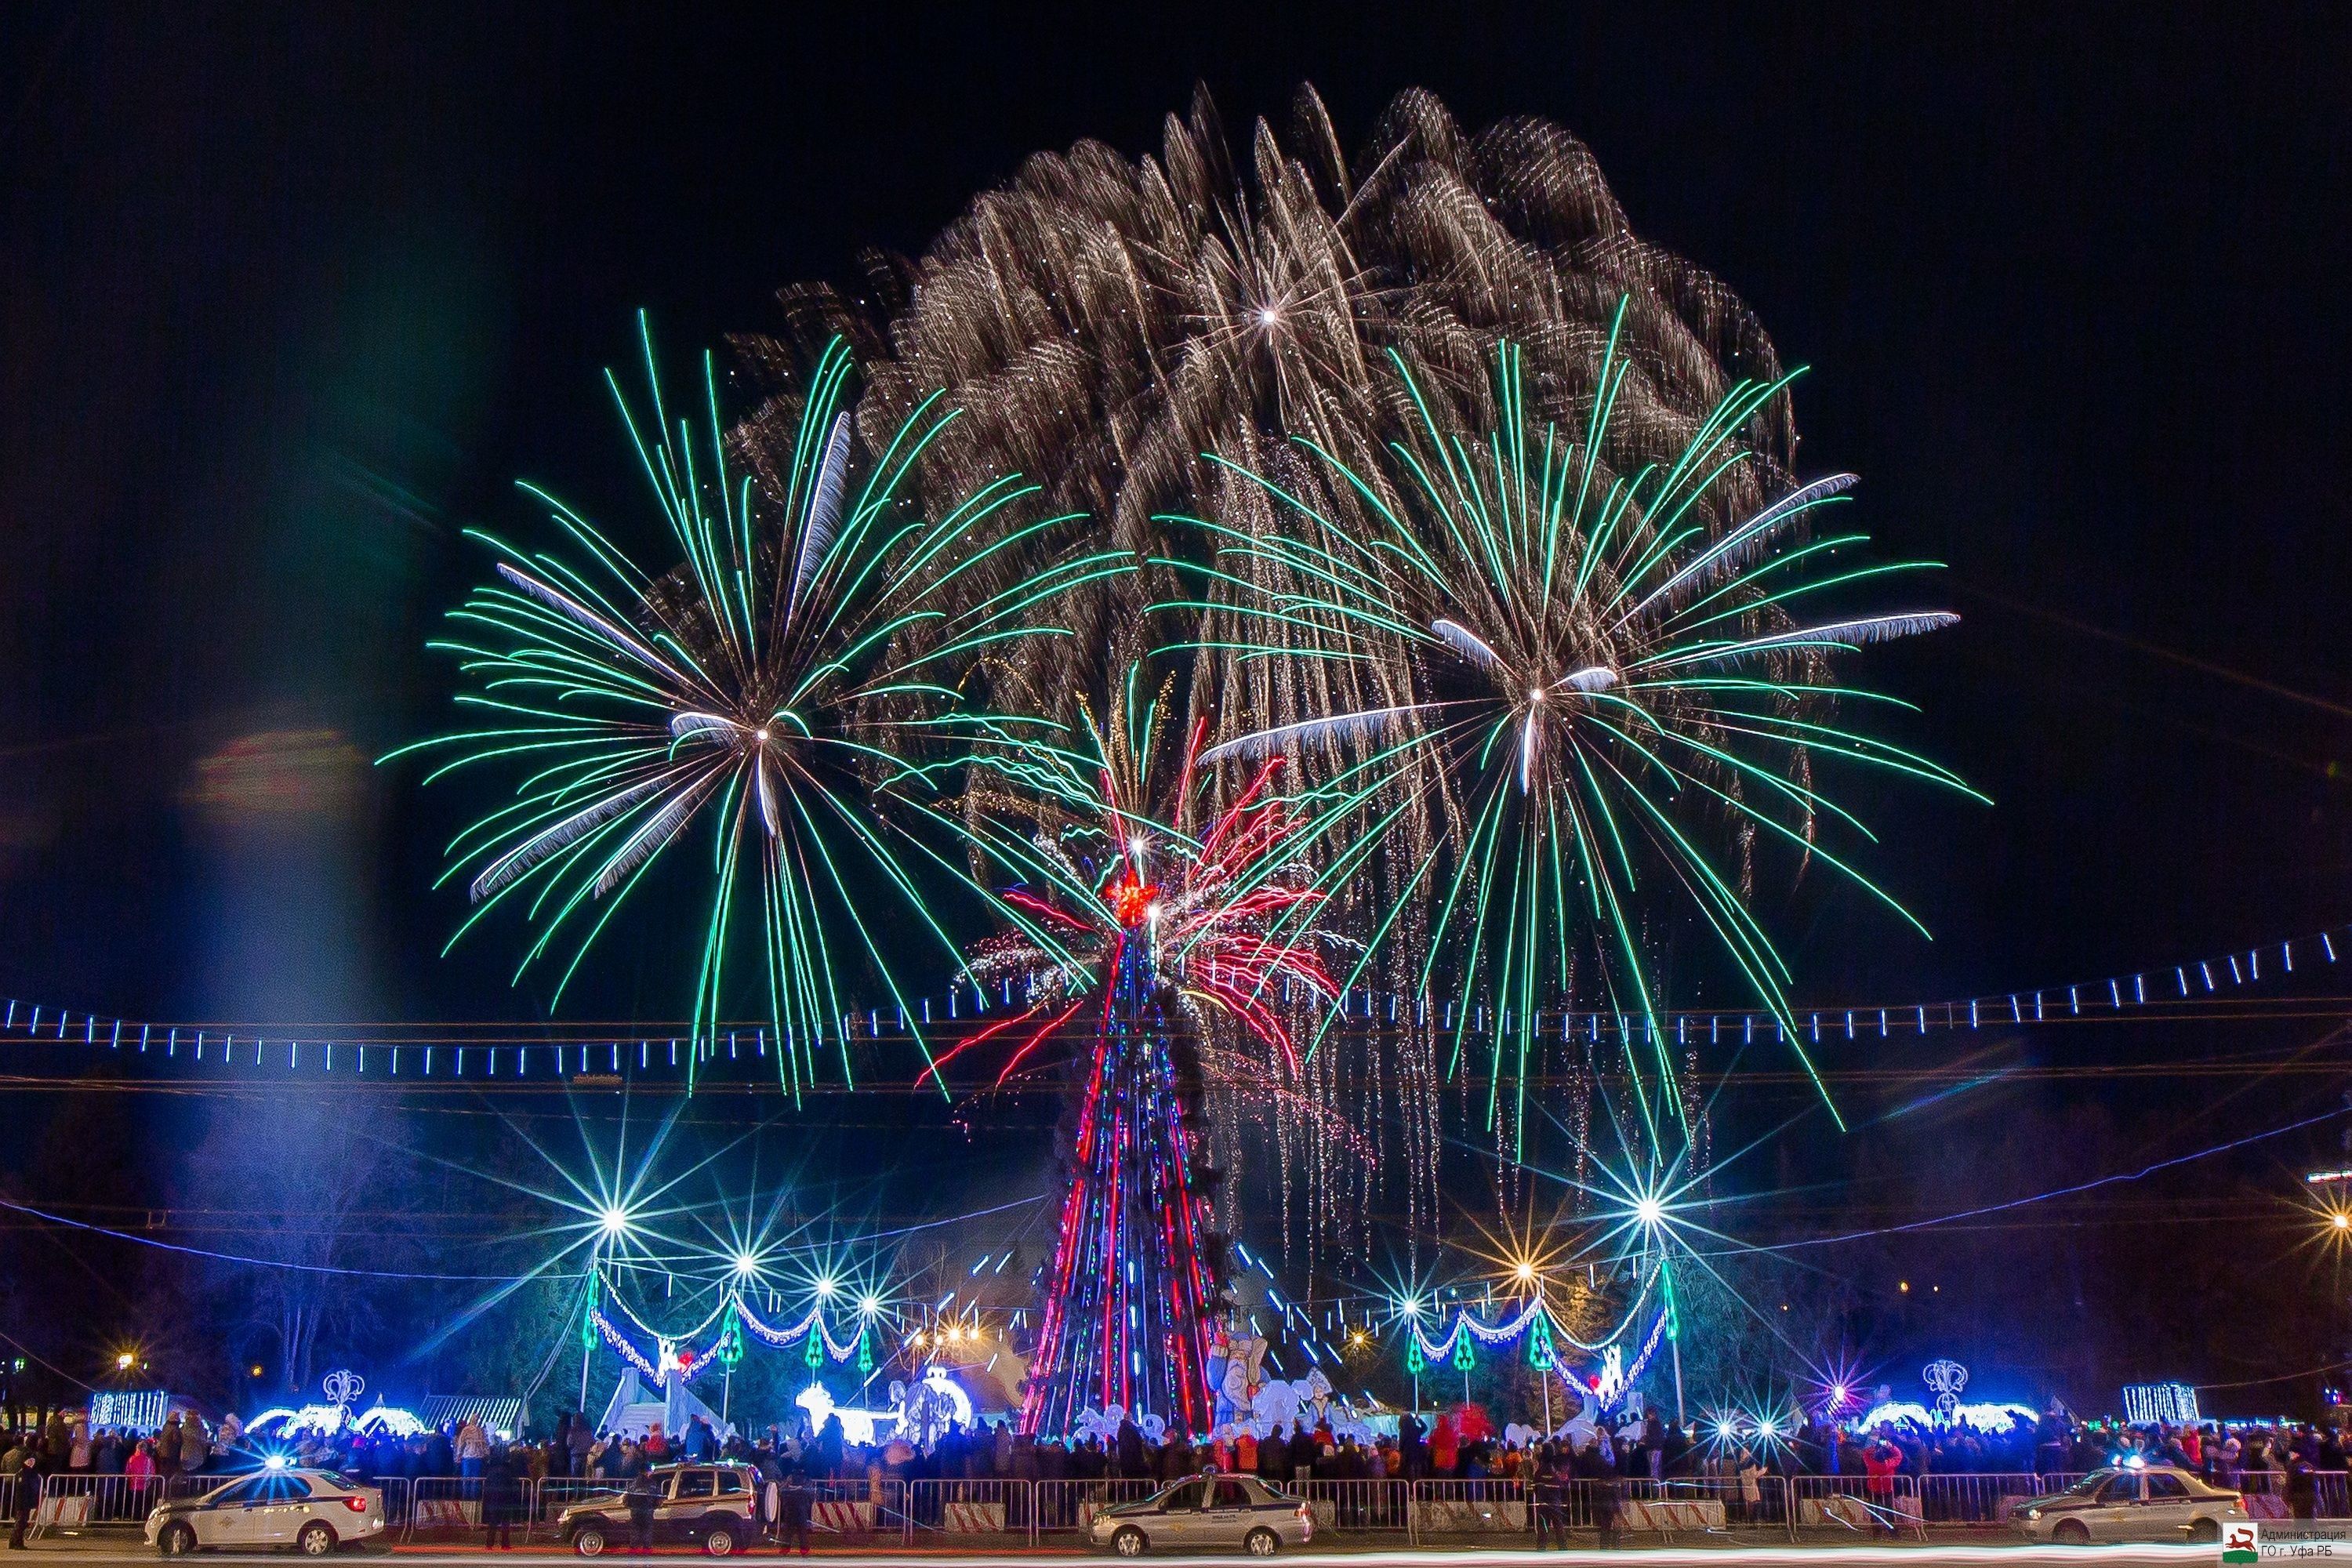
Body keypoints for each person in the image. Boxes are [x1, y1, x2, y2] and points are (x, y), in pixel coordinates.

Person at [481, 1448, 519, 1550]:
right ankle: (505, 1544)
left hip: (494, 1498)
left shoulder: (491, 1471)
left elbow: (487, 1487)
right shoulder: (509, 1471)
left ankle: (489, 1544)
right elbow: (512, 1486)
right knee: (505, 1522)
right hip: (505, 1498)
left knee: (493, 1522)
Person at [775, 1470, 813, 1556]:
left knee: (788, 1531)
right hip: (802, 1512)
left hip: (790, 1512)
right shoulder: (805, 1488)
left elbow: (781, 1493)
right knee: (802, 1531)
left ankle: (785, 1549)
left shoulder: (787, 1489)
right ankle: (804, 1549)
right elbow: (810, 1497)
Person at [625, 1469, 660, 1554]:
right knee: (647, 1530)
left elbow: (627, 1498)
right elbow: (657, 1498)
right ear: (647, 1472)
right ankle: (646, 1550)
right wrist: (654, 1506)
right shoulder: (652, 1483)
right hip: (648, 1510)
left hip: (635, 1511)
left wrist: (631, 1507)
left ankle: (633, 1550)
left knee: (635, 1530)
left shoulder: (632, 1484)